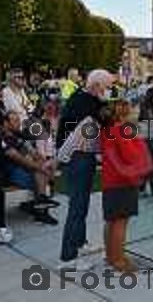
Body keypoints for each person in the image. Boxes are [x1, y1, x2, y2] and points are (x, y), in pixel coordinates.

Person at [57, 69, 112, 270]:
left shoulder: (84, 99)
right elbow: (103, 123)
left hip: (81, 156)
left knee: (81, 204)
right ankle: (68, 257)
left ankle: (79, 243)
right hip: (78, 157)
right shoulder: (85, 103)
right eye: (107, 87)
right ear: (97, 85)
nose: (109, 91)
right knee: (78, 206)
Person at [102, 100, 153, 272]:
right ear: (124, 113)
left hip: (110, 180)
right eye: (132, 111)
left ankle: (111, 256)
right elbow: (131, 156)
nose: (135, 113)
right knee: (121, 222)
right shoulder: (123, 130)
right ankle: (119, 260)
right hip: (123, 181)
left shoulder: (108, 129)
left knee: (111, 221)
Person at [0, 111, 58, 224]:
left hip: (20, 168)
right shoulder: (0, 137)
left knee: (42, 168)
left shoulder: (17, 134)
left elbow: (31, 150)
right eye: (15, 121)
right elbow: (19, 159)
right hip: (6, 173)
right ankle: (41, 210)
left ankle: (40, 203)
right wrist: (40, 167)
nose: (19, 123)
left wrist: (43, 162)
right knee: (39, 174)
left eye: (19, 120)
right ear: (6, 123)